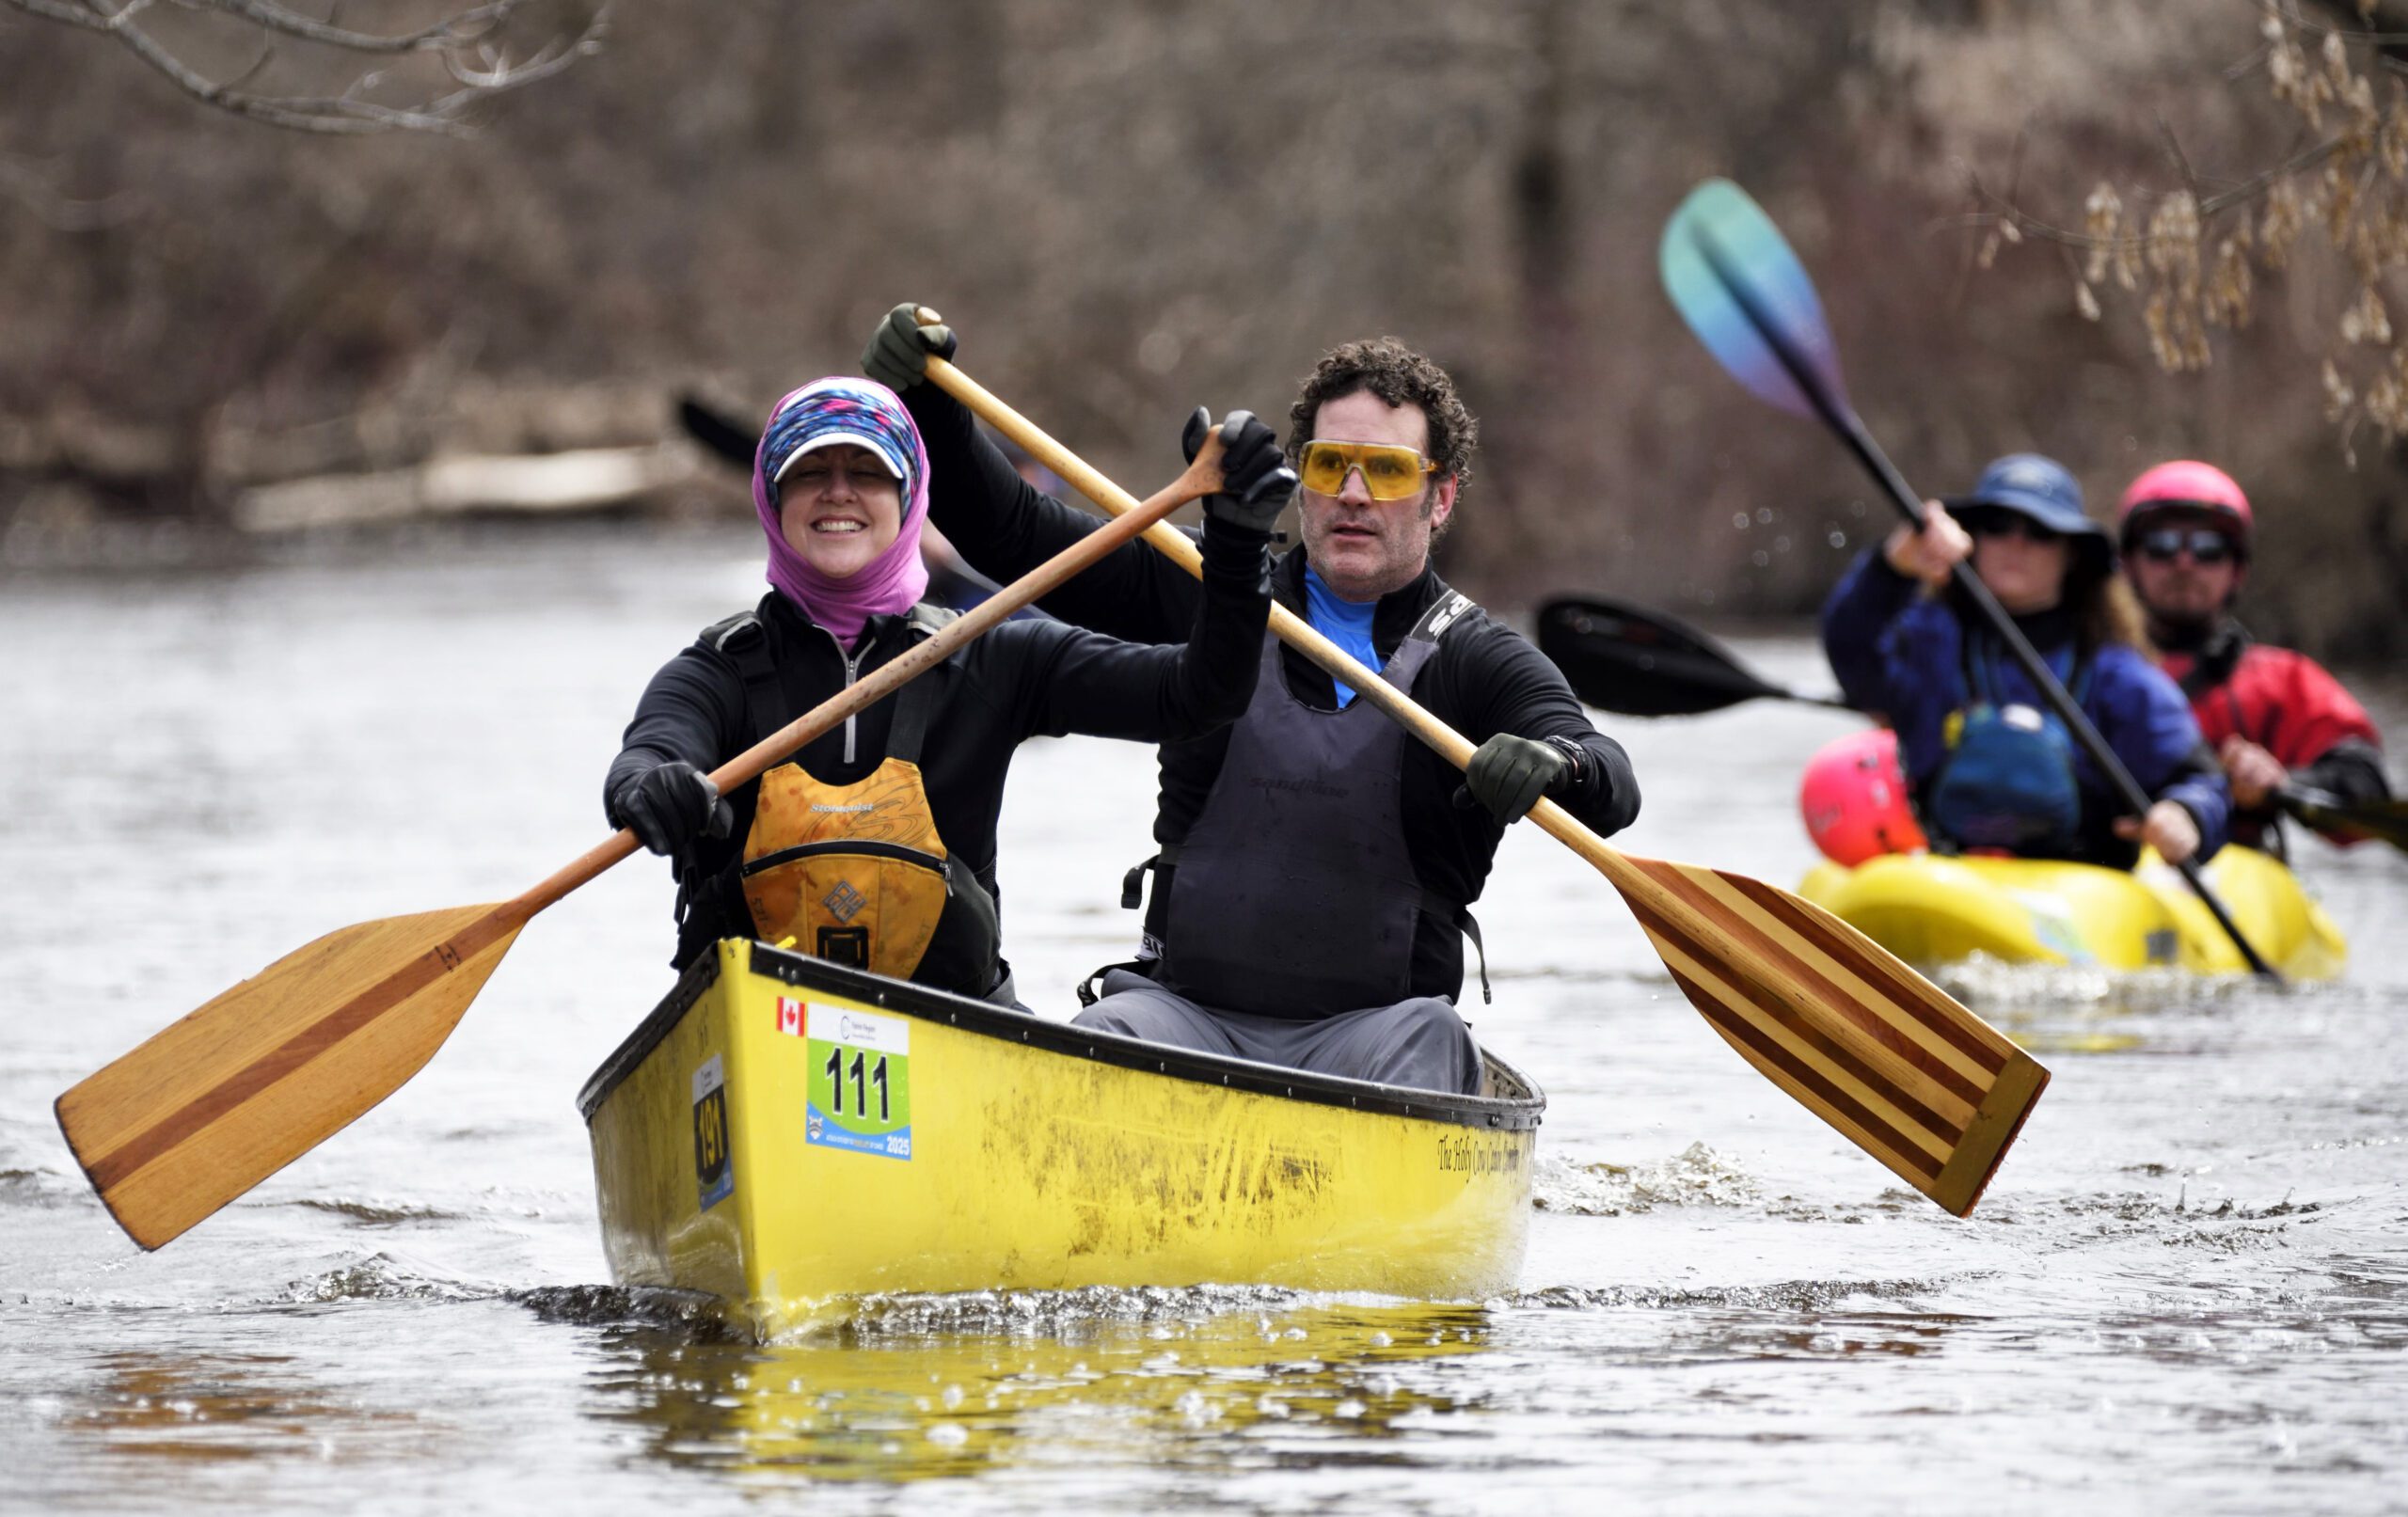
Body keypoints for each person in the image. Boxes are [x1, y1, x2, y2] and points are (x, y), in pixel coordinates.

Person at [862, 308, 1640, 1095]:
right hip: (1182, 1020)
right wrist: (929, 403)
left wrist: (1557, 764)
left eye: (1390, 471)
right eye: (1331, 465)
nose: (1355, 494)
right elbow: (1014, 535)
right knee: (1103, 1032)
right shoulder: (1217, 592)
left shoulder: (1478, 657)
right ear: (1299, 481)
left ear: (1441, 498)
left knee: (1431, 1034)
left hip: (1380, 1041)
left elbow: (1611, 781)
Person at [604, 375, 1290, 1003]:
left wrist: (1235, 550)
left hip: (955, 1021)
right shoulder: (715, 669)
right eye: (809, 471)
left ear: (909, 500)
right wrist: (654, 788)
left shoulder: (992, 655)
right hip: (749, 1019)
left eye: (867, 471)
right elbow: (648, 755)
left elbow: (1201, 696)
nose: (837, 490)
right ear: (772, 498)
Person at [1821, 452, 2228, 870]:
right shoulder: (1929, 643)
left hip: (2079, 886)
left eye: (2040, 531)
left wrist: (2186, 814)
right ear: (1975, 538)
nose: (2016, 542)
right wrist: (1891, 568)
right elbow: (1853, 658)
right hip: (1948, 874)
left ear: (2070, 553)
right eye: (1998, 526)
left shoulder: (2116, 673)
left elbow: (2200, 780)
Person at [2117, 460, 2392, 853]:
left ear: (2237, 570)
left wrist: (2285, 783)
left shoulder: (2280, 681)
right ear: (2128, 563)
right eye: (2161, 546)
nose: (2184, 563)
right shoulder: (2089, 672)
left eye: (2207, 549)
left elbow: (2364, 785)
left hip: (2232, 875)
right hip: (2106, 879)